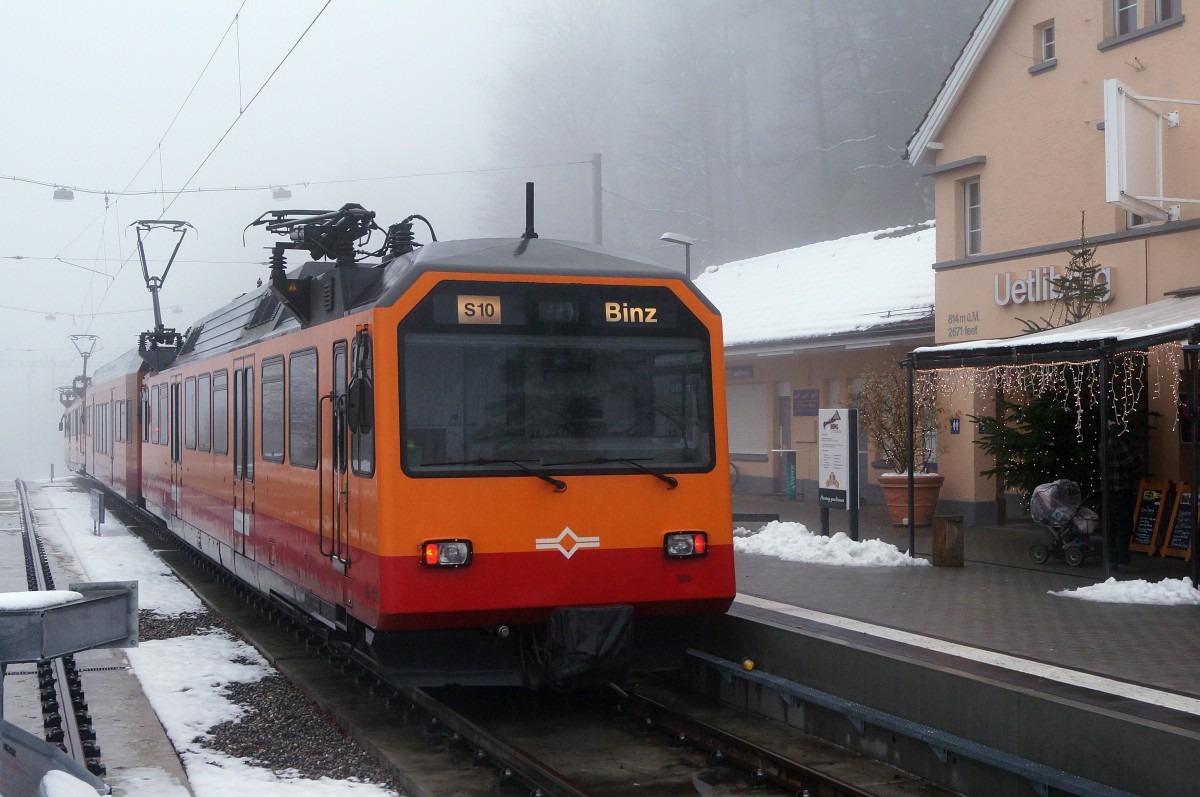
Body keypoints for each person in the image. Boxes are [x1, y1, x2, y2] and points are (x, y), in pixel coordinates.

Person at [1104, 423, 1141, 572]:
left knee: (1111, 527)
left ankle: (1111, 560)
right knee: (1124, 527)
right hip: (1121, 490)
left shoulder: (1103, 443)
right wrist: (1138, 458)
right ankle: (1123, 561)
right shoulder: (1119, 442)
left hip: (1108, 491)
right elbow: (1130, 462)